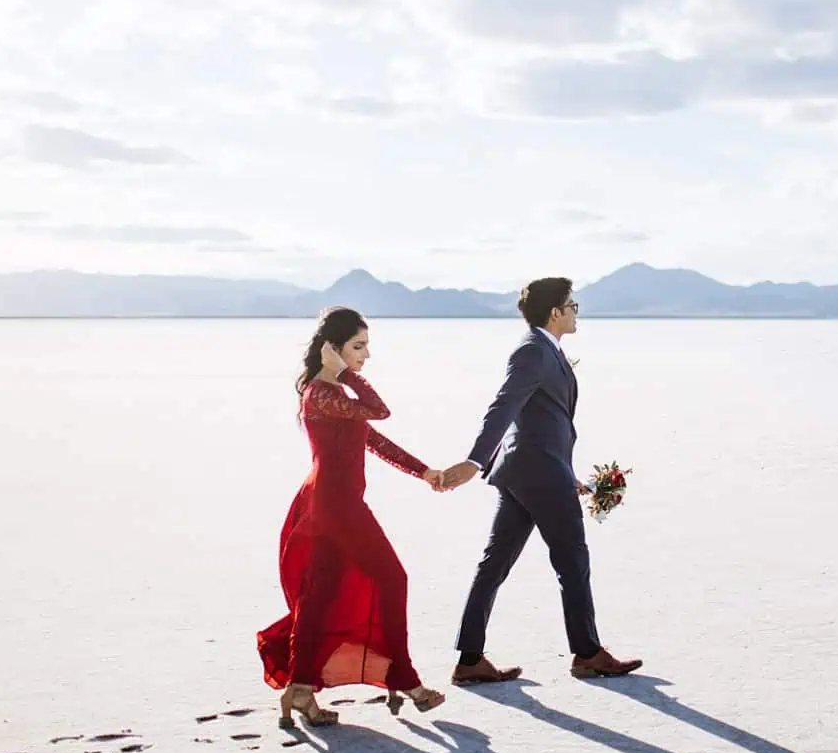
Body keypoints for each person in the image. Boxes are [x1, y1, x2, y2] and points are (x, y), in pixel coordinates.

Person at [440, 277, 642, 684]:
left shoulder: (547, 351)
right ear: (555, 312)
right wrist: (474, 460)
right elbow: (504, 406)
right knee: (572, 562)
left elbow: (544, 421)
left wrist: (568, 474)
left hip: (531, 472)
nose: (576, 311)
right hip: (538, 476)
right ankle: (587, 653)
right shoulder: (533, 351)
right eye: (572, 305)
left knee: (495, 563)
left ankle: (470, 659)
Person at [257, 307, 447, 728]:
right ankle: (405, 679)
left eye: (366, 347)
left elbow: (372, 437)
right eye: (358, 347)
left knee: (320, 598)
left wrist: (423, 472)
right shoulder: (323, 392)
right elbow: (379, 410)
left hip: (330, 502)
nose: (366, 355)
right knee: (393, 579)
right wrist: (344, 374)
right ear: (333, 351)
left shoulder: (333, 396)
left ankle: (300, 689)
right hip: (337, 505)